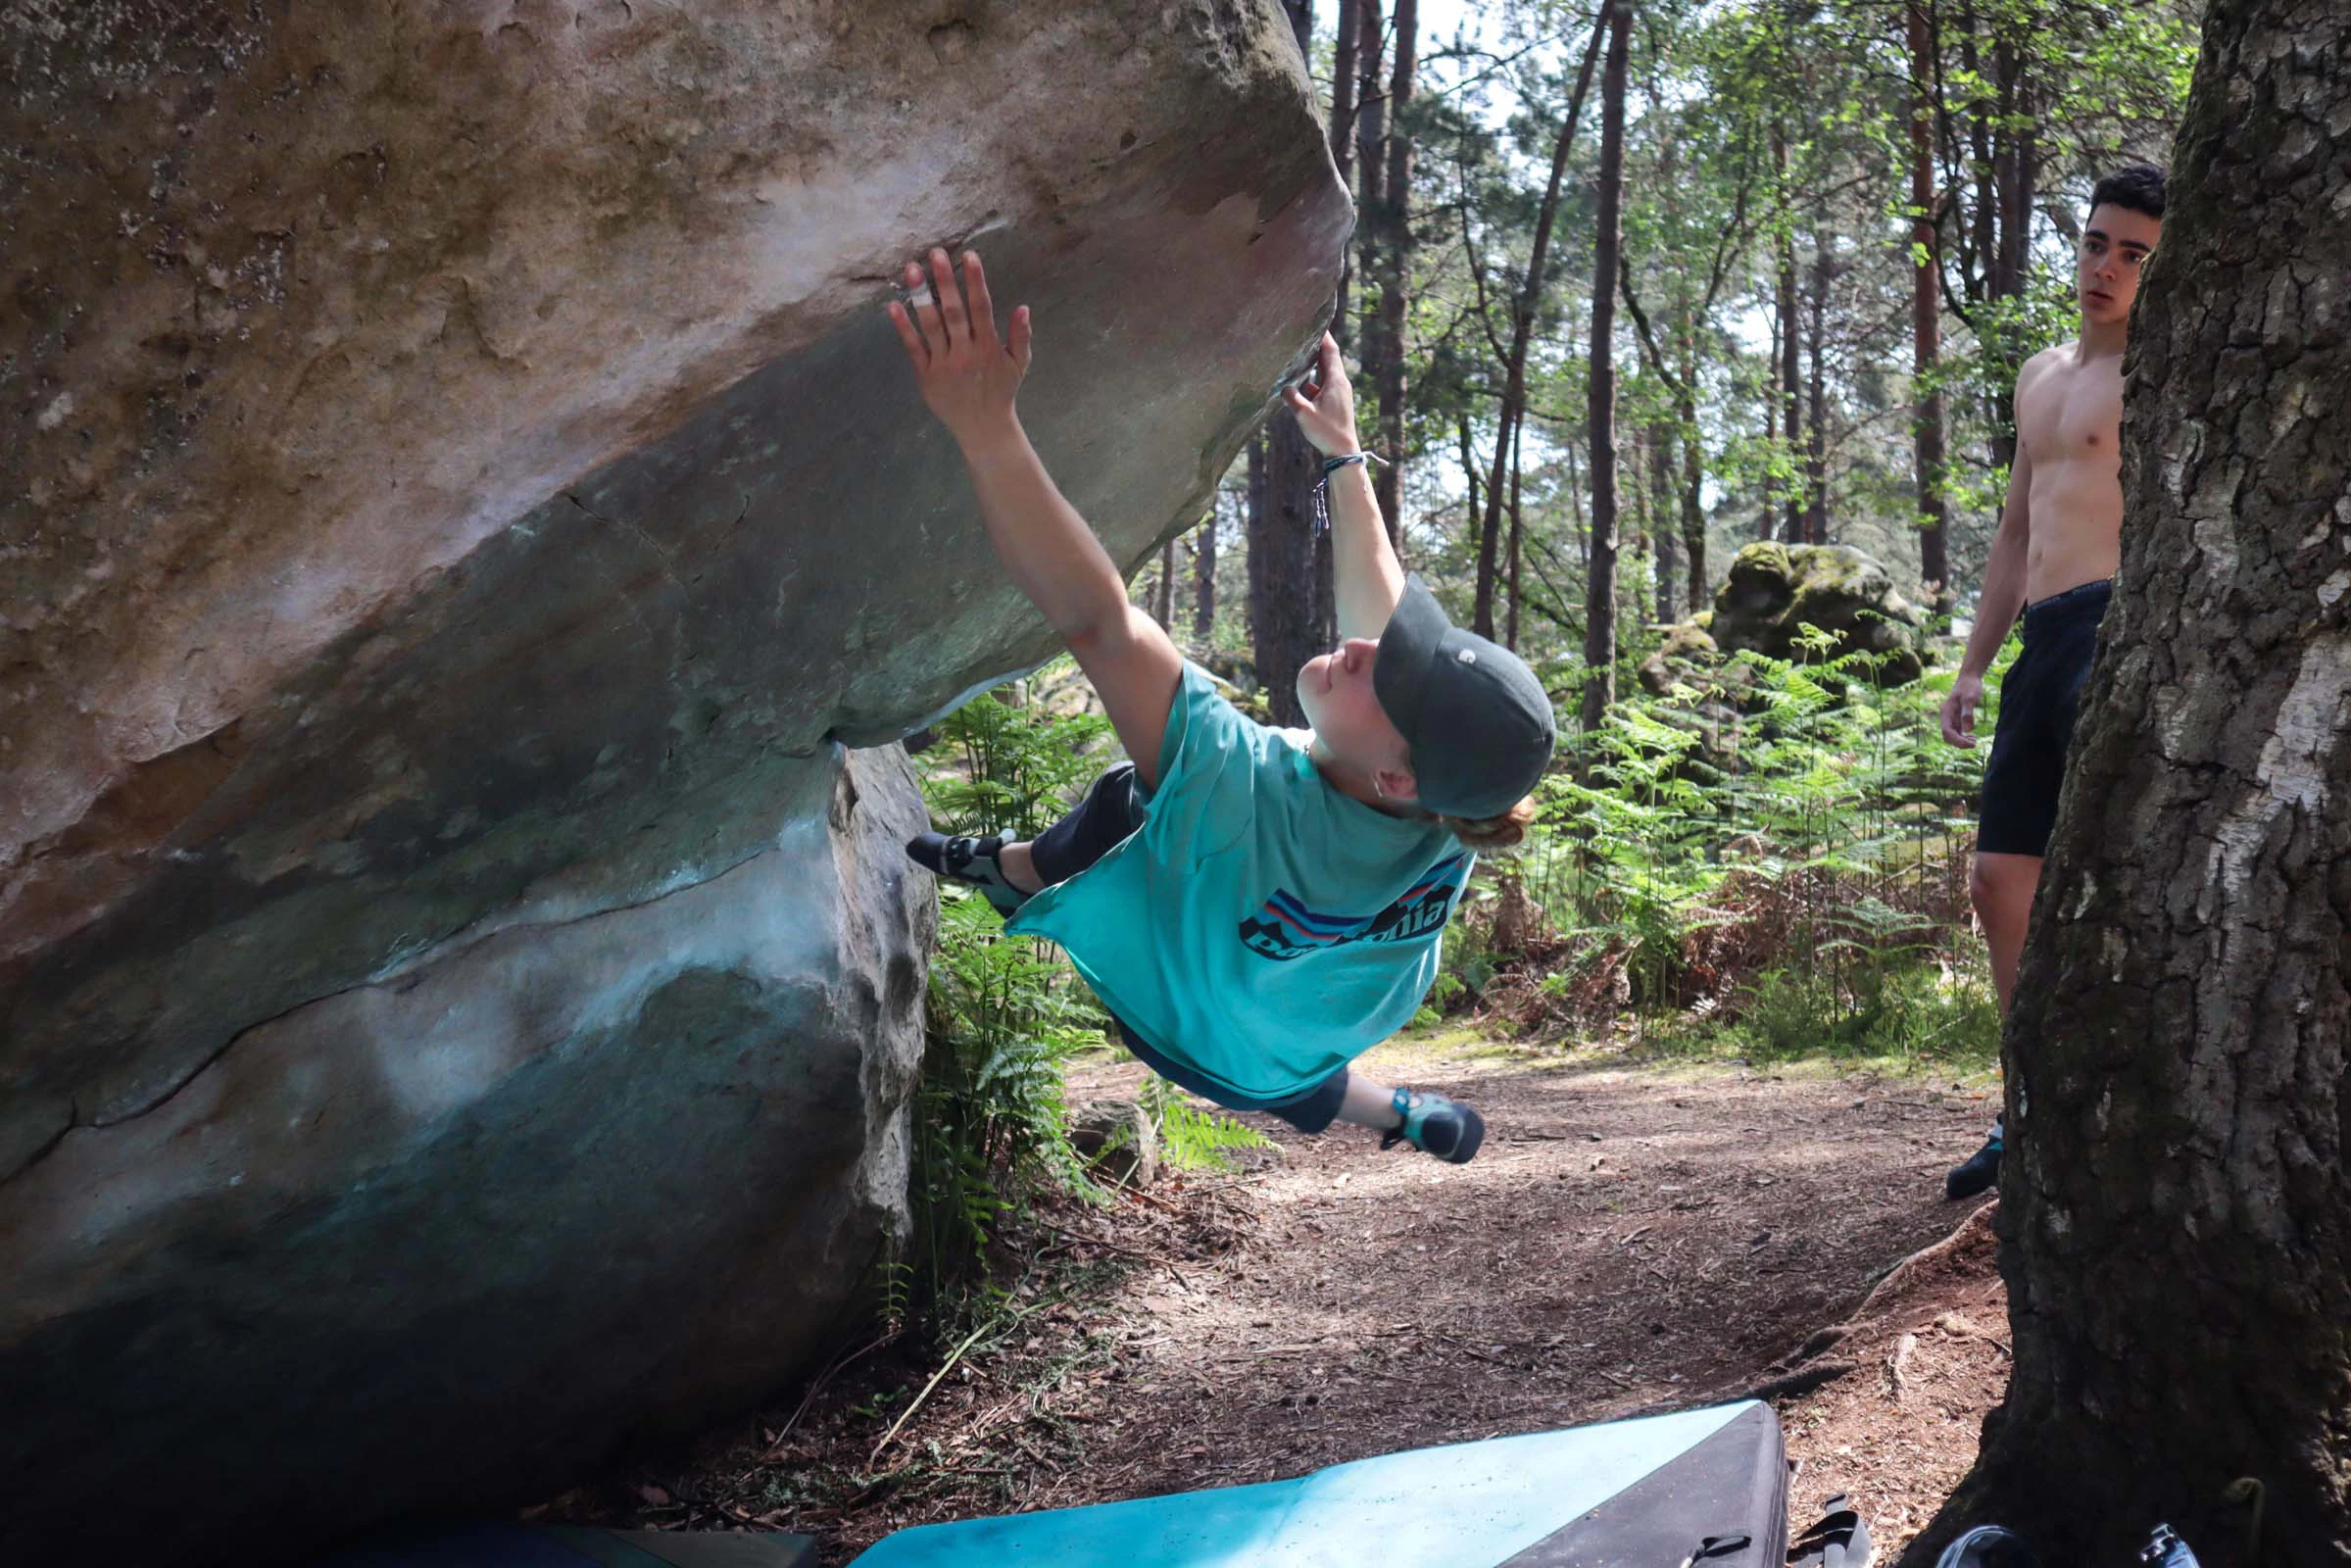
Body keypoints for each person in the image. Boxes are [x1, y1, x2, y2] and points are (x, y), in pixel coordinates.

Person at [885, 248, 1556, 1163]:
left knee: (1134, 798)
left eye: (1384, 674)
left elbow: (1099, 622)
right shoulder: (1455, 808)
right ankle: (1403, 1115)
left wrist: (984, 425)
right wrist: (1343, 453)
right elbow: (1377, 604)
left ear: (1395, 772)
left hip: (1177, 1028)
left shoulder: (1236, 790)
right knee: (1291, 1069)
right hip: (1301, 1034)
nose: (1362, 647)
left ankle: (1016, 869)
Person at [1937, 164, 2165, 1200]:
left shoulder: (2165, 373)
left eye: (2132, 253)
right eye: (2094, 242)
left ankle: (2138, 1110)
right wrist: (1975, 664)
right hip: (2040, 640)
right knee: (1995, 880)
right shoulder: (2038, 374)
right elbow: (2015, 530)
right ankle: (2022, 1102)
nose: (2104, 267)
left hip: (2120, 627)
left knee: (2122, 878)